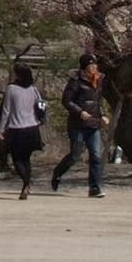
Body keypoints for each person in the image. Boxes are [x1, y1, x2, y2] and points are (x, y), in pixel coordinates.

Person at [48, 54, 109, 197]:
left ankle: (94, 188)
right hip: (78, 124)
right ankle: (58, 173)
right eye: (91, 64)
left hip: (93, 124)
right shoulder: (75, 81)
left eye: (95, 64)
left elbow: (98, 101)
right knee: (75, 155)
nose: (94, 67)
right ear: (84, 66)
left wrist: (103, 114)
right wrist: (80, 112)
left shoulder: (99, 80)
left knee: (96, 155)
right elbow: (66, 100)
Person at [0, 61, 47, 199]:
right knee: (26, 158)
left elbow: (6, 110)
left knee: (17, 159)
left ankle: (26, 182)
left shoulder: (11, 89)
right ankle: (27, 183)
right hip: (32, 128)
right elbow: (42, 105)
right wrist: (42, 118)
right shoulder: (33, 89)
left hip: (16, 128)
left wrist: (1, 129)